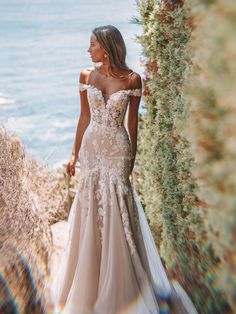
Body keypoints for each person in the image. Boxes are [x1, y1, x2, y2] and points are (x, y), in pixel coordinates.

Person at [50, 25, 198, 314]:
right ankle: (89, 280)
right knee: (91, 206)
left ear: (106, 47)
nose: (88, 49)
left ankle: (120, 283)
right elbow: (83, 117)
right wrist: (73, 153)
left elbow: (133, 125)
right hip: (92, 149)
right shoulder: (85, 76)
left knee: (118, 206)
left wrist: (130, 160)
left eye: (92, 44)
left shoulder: (132, 80)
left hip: (118, 150)